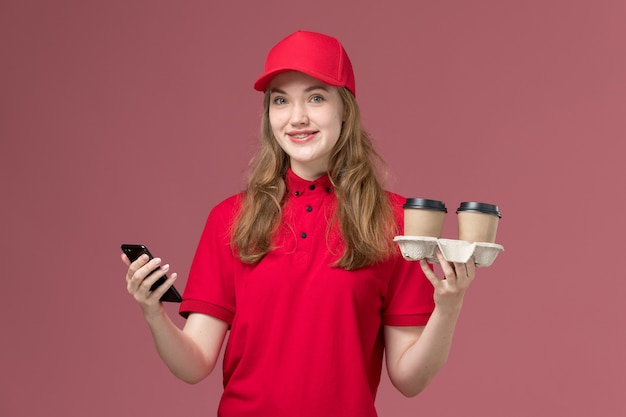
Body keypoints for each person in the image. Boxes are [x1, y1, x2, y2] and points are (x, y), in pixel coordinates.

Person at [122, 30, 476, 417]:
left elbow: (410, 380)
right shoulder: (229, 219)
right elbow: (194, 364)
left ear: (345, 109)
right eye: (280, 100)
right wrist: (153, 312)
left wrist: (448, 307)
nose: (297, 117)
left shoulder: (397, 222)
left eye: (316, 97)